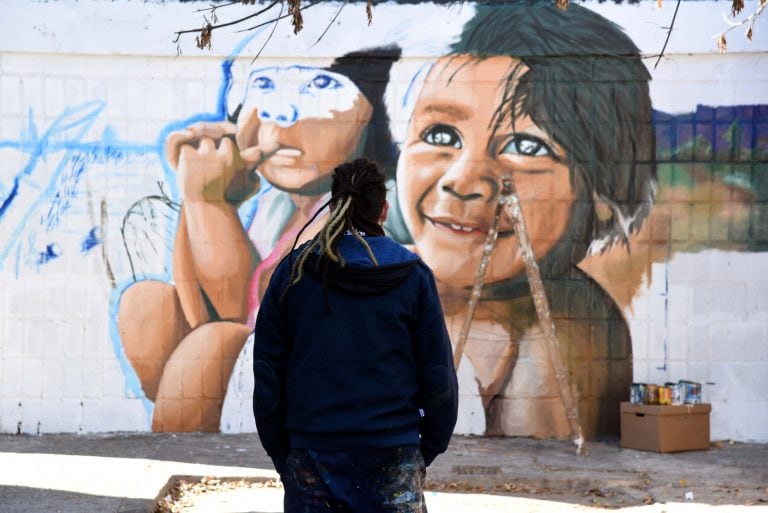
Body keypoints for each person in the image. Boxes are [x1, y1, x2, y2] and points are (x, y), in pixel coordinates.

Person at [395, 3, 655, 438]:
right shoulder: (380, 286)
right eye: (441, 136)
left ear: (604, 193)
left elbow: (539, 456)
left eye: (526, 146)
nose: (463, 181)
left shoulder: (569, 326)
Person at [117, 47, 401, 431]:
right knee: (148, 304)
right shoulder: (274, 203)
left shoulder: (364, 206)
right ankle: (188, 443)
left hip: (326, 377)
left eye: (320, 86)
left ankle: (186, 453)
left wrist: (209, 201)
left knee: (212, 348)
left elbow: (247, 313)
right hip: (275, 366)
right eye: (264, 85)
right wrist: (199, 196)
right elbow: (204, 311)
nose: (281, 115)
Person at [253, 158, 458, 512]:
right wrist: (424, 450)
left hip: (312, 455)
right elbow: (438, 376)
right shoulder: (413, 275)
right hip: (393, 453)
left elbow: (268, 374)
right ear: (384, 209)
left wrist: (283, 454)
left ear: (332, 207)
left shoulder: (294, 272)